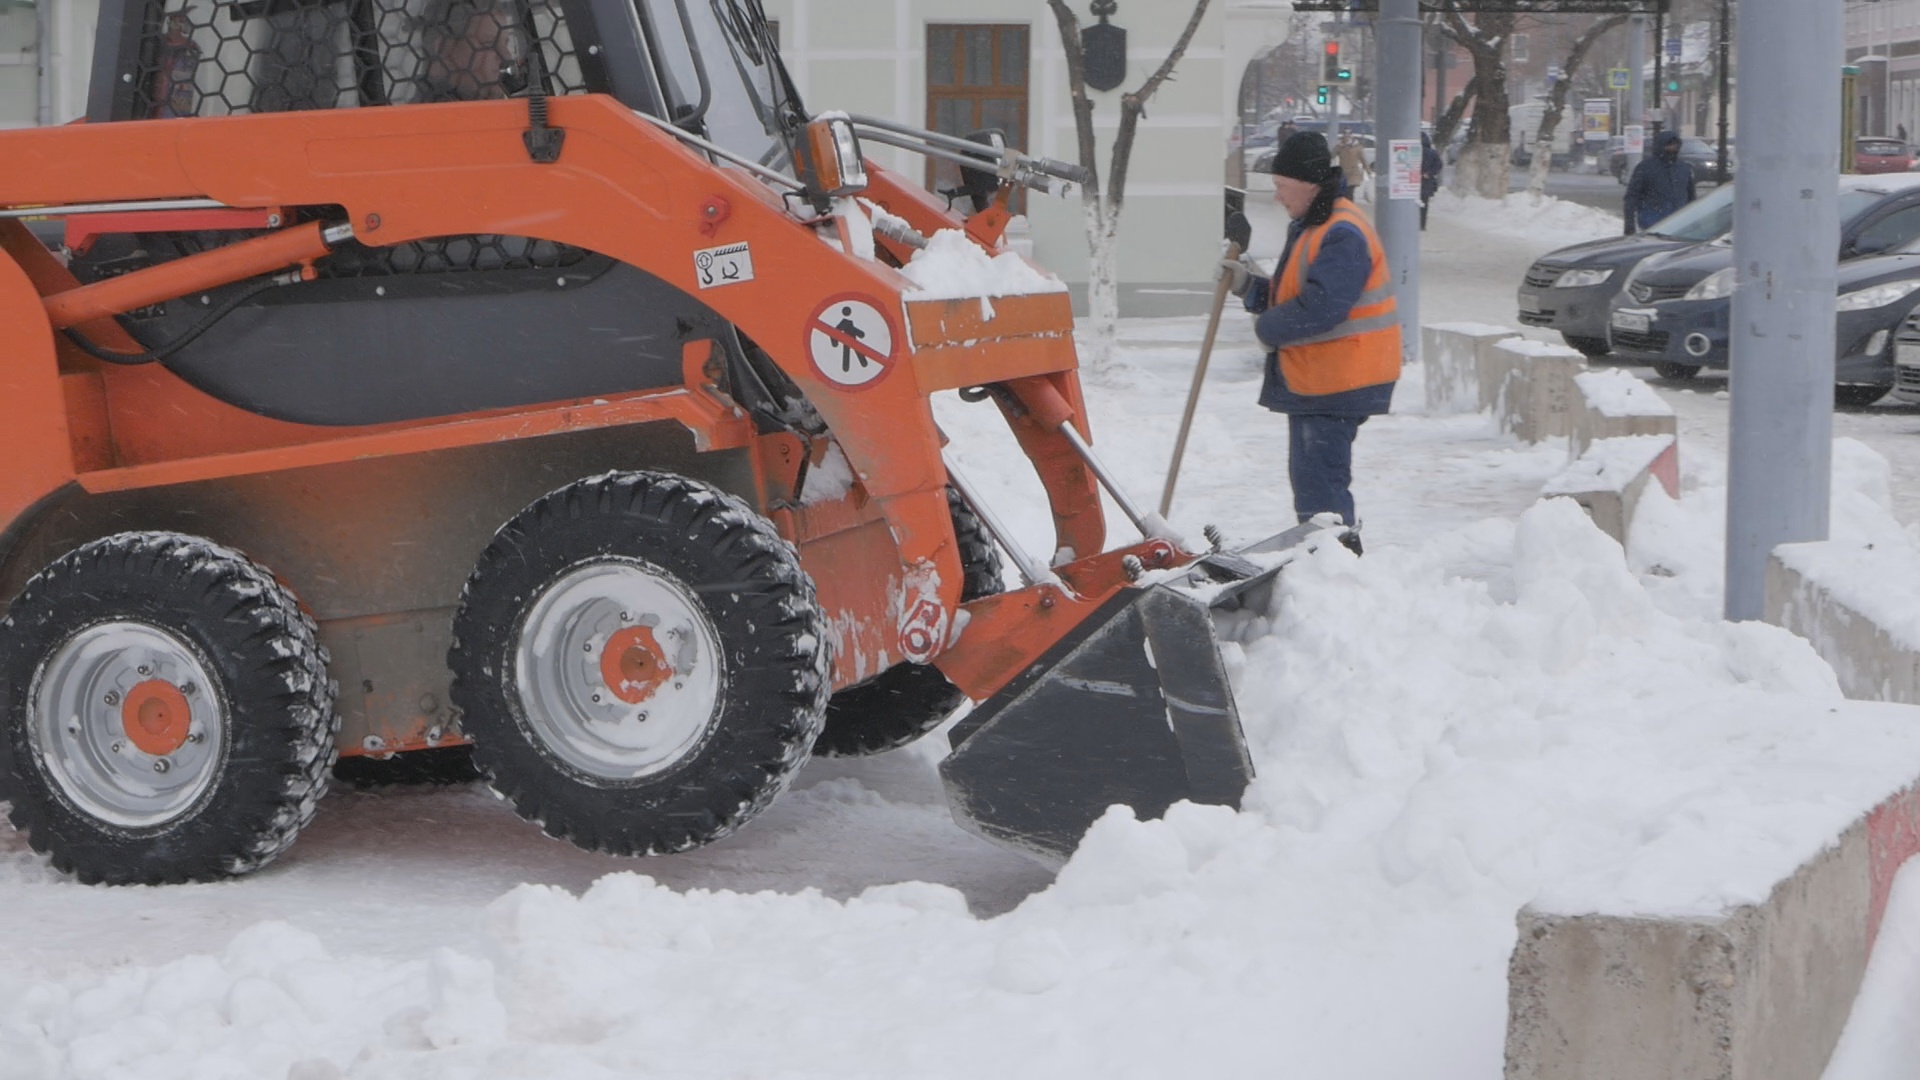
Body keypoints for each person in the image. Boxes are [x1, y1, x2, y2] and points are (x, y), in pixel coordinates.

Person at [1218, 132, 1401, 554]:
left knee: (1321, 492)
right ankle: (1328, 567)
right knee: (1313, 486)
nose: (1278, 197)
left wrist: (1268, 328)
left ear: (1308, 183)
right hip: (1322, 378)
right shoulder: (1315, 224)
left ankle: (1338, 572)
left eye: (1282, 186)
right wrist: (1248, 285)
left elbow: (1322, 306)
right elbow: (1294, 294)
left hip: (1341, 379)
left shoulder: (1342, 232)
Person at [420, 0, 526, 103]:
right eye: (489, 44)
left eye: (506, 44)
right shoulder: (419, 117)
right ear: (444, 49)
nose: (507, 57)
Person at [1622, 130, 1696, 235]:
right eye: (1669, 145)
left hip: (1680, 223)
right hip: (1652, 223)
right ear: (1661, 146)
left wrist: (1694, 221)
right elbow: (1632, 197)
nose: (1672, 148)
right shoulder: (1645, 167)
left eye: (1675, 145)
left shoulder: (1684, 168)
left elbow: (1691, 196)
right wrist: (1629, 224)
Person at [1336, 133, 1371, 203]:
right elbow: (1332, 155)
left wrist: (1368, 171)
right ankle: (1347, 205)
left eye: (1348, 137)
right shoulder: (1340, 147)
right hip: (1343, 173)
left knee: (1349, 191)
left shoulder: (1357, 147)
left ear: (1351, 138)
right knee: (1344, 192)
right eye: (1345, 137)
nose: (1347, 138)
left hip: (1353, 173)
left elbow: (1363, 160)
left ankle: (1349, 205)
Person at [1420, 131, 1443, 231]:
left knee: (1410, 204)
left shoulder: (1412, 151)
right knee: (1424, 204)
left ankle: (1412, 222)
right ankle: (1422, 224)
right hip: (1426, 182)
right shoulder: (1432, 152)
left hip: (1412, 182)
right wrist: (1429, 173)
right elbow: (1439, 165)